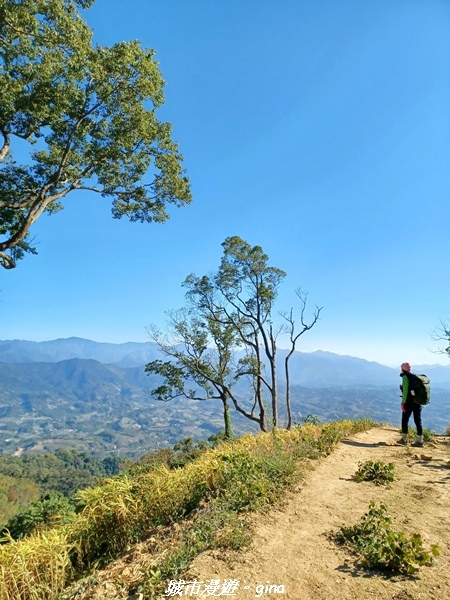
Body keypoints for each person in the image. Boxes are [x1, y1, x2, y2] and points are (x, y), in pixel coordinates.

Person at [397, 362, 424, 447]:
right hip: (417, 402)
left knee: (404, 420)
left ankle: (404, 439)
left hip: (409, 402)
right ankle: (420, 441)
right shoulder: (415, 376)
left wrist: (403, 402)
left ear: (402, 369)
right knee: (418, 421)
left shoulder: (405, 377)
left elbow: (405, 392)